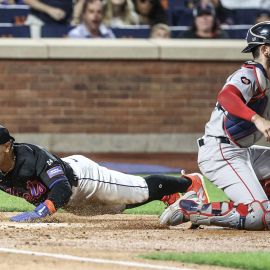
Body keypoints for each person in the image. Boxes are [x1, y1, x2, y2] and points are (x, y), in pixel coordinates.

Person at [160, 21, 270, 231]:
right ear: (265, 49)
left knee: (264, 216)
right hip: (220, 152)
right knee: (260, 216)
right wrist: (256, 119)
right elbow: (227, 96)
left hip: (243, 152)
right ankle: (190, 207)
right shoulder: (249, 73)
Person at [0, 125, 195, 222]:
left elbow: (61, 188)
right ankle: (163, 193)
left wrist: (39, 212)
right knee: (119, 206)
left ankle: (189, 183)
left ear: (8, 146)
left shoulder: (32, 156)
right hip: (70, 201)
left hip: (83, 179)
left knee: (138, 189)